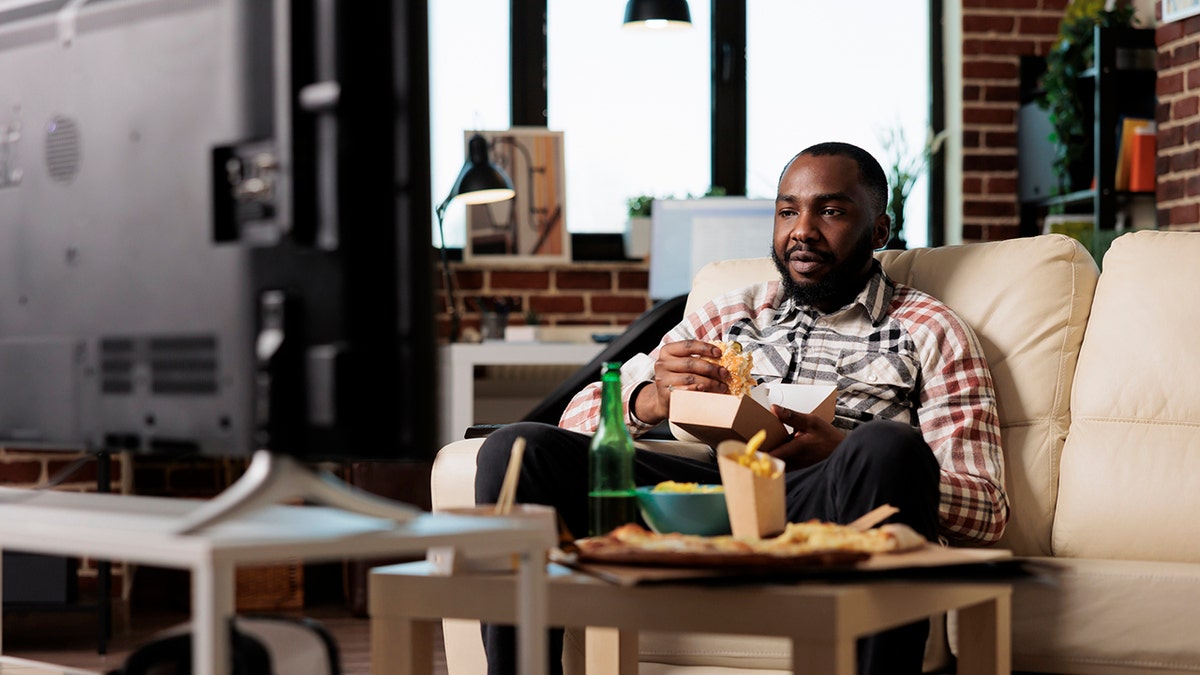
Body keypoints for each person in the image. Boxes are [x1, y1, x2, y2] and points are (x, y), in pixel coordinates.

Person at [475, 141, 1008, 675]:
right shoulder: (732, 311)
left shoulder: (928, 328)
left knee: (887, 447)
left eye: (830, 210)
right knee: (517, 450)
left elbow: (987, 510)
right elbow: (579, 417)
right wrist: (651, 399)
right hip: (710, 501)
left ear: (879, 231)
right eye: (786, 211)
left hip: (829, 505)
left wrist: (845, 451)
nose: (802, 229)